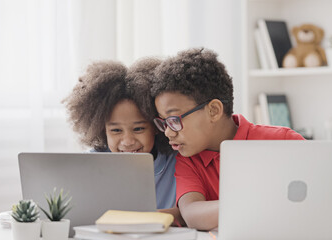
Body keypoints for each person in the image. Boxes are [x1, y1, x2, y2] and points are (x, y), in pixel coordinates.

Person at [150, 48, 305, 230]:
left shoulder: (285, 142)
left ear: (214, 110)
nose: (168, 132)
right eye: (164, 123)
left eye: (174, 120)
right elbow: (192, 214)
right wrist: (263, 202)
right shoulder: (187, 159)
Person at [63, 59, 184, 225]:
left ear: (156, 126)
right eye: (116, 130)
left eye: (139, 129)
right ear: (101, 130)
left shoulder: (177, 162)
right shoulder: (89, 164)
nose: (127, 142)